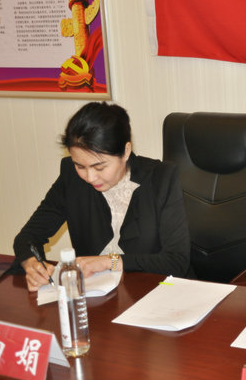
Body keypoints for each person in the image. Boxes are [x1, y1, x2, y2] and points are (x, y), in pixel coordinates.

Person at [13, 102, 191, 291]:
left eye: (99, 167)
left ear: (126, 151)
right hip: (98, 297)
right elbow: (28, 237)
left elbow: (176, 261)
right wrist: (32, 264)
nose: (90, 177)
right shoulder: (71, 177)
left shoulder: (161, 179)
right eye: (80, 166)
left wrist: (109, 262)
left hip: (156, 292)